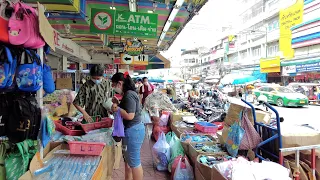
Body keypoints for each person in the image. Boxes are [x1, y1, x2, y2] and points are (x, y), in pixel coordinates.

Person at [111, 72, 145, 180]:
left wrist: (118, 109)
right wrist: (119, 103)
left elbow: (130, 115)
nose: (113, 87)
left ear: (120, 83)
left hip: (133, 131)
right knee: (128, 162)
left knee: (134, 162)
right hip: (132, 130)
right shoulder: (128, 94)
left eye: (114, 85)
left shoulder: (129, 94)